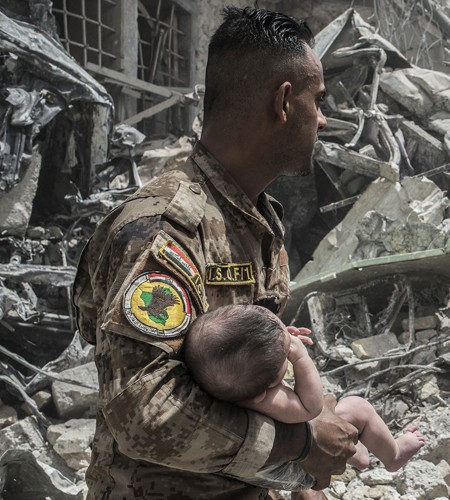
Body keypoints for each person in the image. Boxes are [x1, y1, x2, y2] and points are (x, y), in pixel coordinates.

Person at [72, 7, 358, 498]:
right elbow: (144, 414)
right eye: (318, 100)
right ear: (283, 102)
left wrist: (298, 477)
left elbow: (253, 374)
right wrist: (297, 443)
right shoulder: (165, 229)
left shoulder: (254, 218)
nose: (324, 118)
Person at [184, 304, 425, 477]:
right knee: (357, 407)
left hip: (263, 455)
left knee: (342, 427)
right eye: (285, 354)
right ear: (262, 393)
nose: (290, 344)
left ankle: (360, 455)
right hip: (293, 461)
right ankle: (394, 456)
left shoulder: (229, 381)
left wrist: (277, 339)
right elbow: (312, 407)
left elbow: (246, 347)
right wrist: (300, 357)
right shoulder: (267, 400)